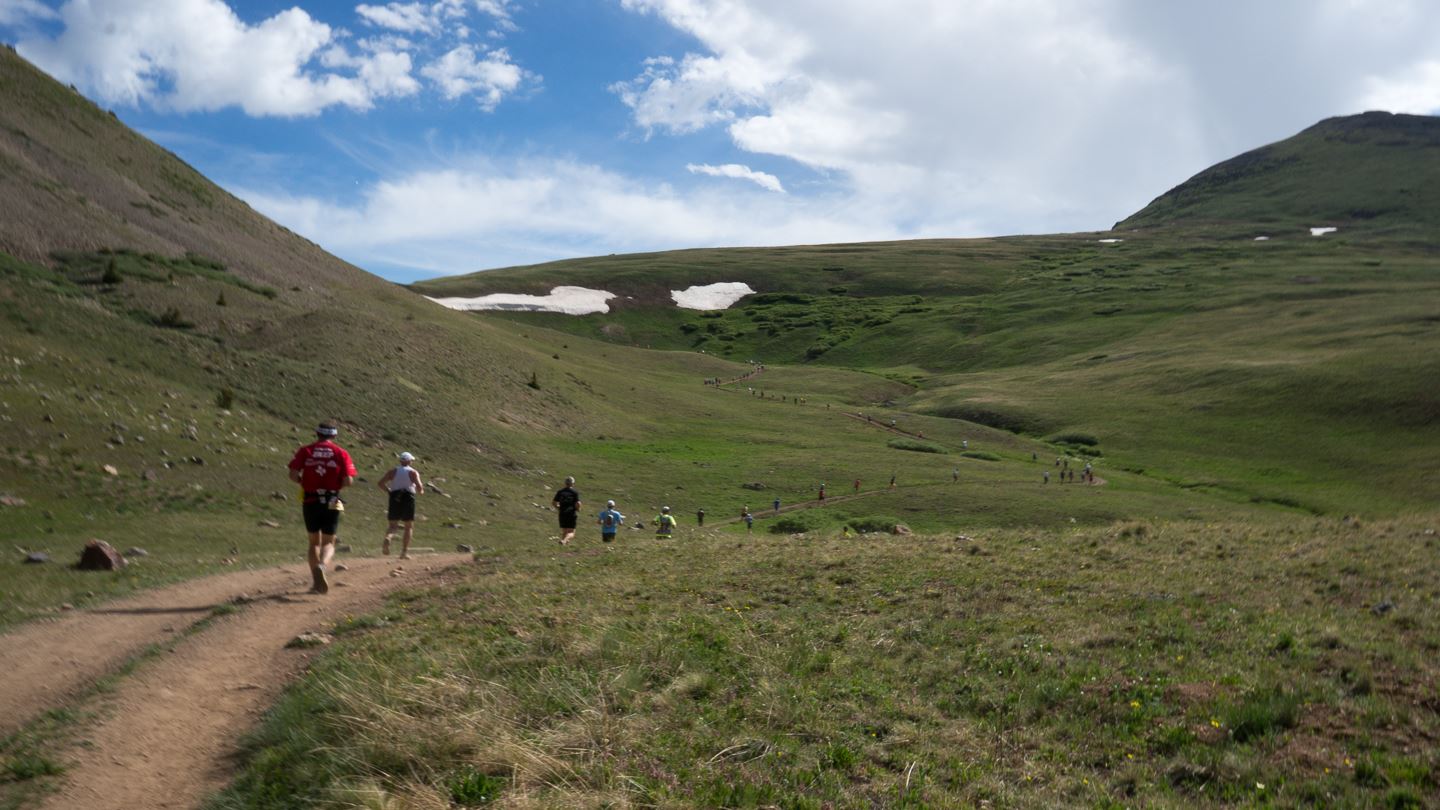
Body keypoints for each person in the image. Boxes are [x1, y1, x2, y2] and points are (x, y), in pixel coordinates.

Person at [288, 421, 356, 595]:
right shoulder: (341, 453)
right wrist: (335, 486)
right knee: (329, 541)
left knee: (313, 542)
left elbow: (293, 475)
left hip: (310, 499)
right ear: (334, 435)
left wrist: (304, 482)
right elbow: (349, 481)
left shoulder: (305, 451)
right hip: (333, 499)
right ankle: (322, 565)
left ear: (317, 434)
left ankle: (315, 583)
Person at [377, 451, 424, 559]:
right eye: (411, 460)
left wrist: (389, 491)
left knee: (393, 525)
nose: (412, 462)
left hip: (395, 497)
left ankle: (389, 537)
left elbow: (380, 483)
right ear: (408, 461)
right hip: (408, 497)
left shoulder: (393, 471)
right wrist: (420, 491)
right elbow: (419, 487)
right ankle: (404, 552)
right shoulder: (413, 472)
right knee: (408, 526)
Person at [552, 476, 582, 545]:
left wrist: (558, 507)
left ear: (565, 483)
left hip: (562, 513)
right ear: (573, 483)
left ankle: (564, 545)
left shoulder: (560, 492)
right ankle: (564, 541)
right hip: (571, 513)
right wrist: (578, 509)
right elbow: (578, 503)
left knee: (565, 531)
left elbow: (554, 502)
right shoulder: (574, 492)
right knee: (572, 532)